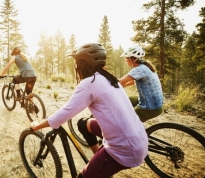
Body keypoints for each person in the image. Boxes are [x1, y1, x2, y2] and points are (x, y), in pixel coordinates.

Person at [30, 43, 148, 178]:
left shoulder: (89, 83)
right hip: (139, 138)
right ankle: (98, 161)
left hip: (125, 149)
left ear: (81, 64)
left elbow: (63, 115)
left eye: (76, 63)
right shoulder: (108, 78)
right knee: (82, 124)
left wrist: (37, 125)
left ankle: (100, 164)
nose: (75, 66)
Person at [119, 45, 164, 122]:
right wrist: (123, 85)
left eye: (126, 58)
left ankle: (134, 130)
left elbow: (118, 82)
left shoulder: (139, 69)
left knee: (125, 122)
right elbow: (133, 81)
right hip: (157, 105)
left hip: (150, 108)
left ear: (132, 59)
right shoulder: (145, 66)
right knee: (124, 99)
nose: (125, 60)